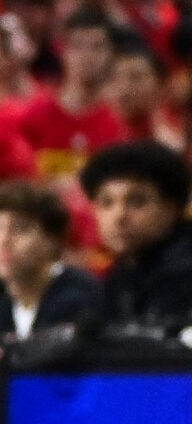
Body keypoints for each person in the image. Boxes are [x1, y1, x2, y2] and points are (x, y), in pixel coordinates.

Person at [0, 182, 98, 376]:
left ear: (52, 241)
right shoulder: (0, 309)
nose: (3, 240)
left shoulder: (79, 297)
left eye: (20, 229)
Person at [81, 140, 192, 330]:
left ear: (172, 209)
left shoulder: (183, 272)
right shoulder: (120, 275)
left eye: (137, 202)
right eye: (106, 203)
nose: (119, 216)